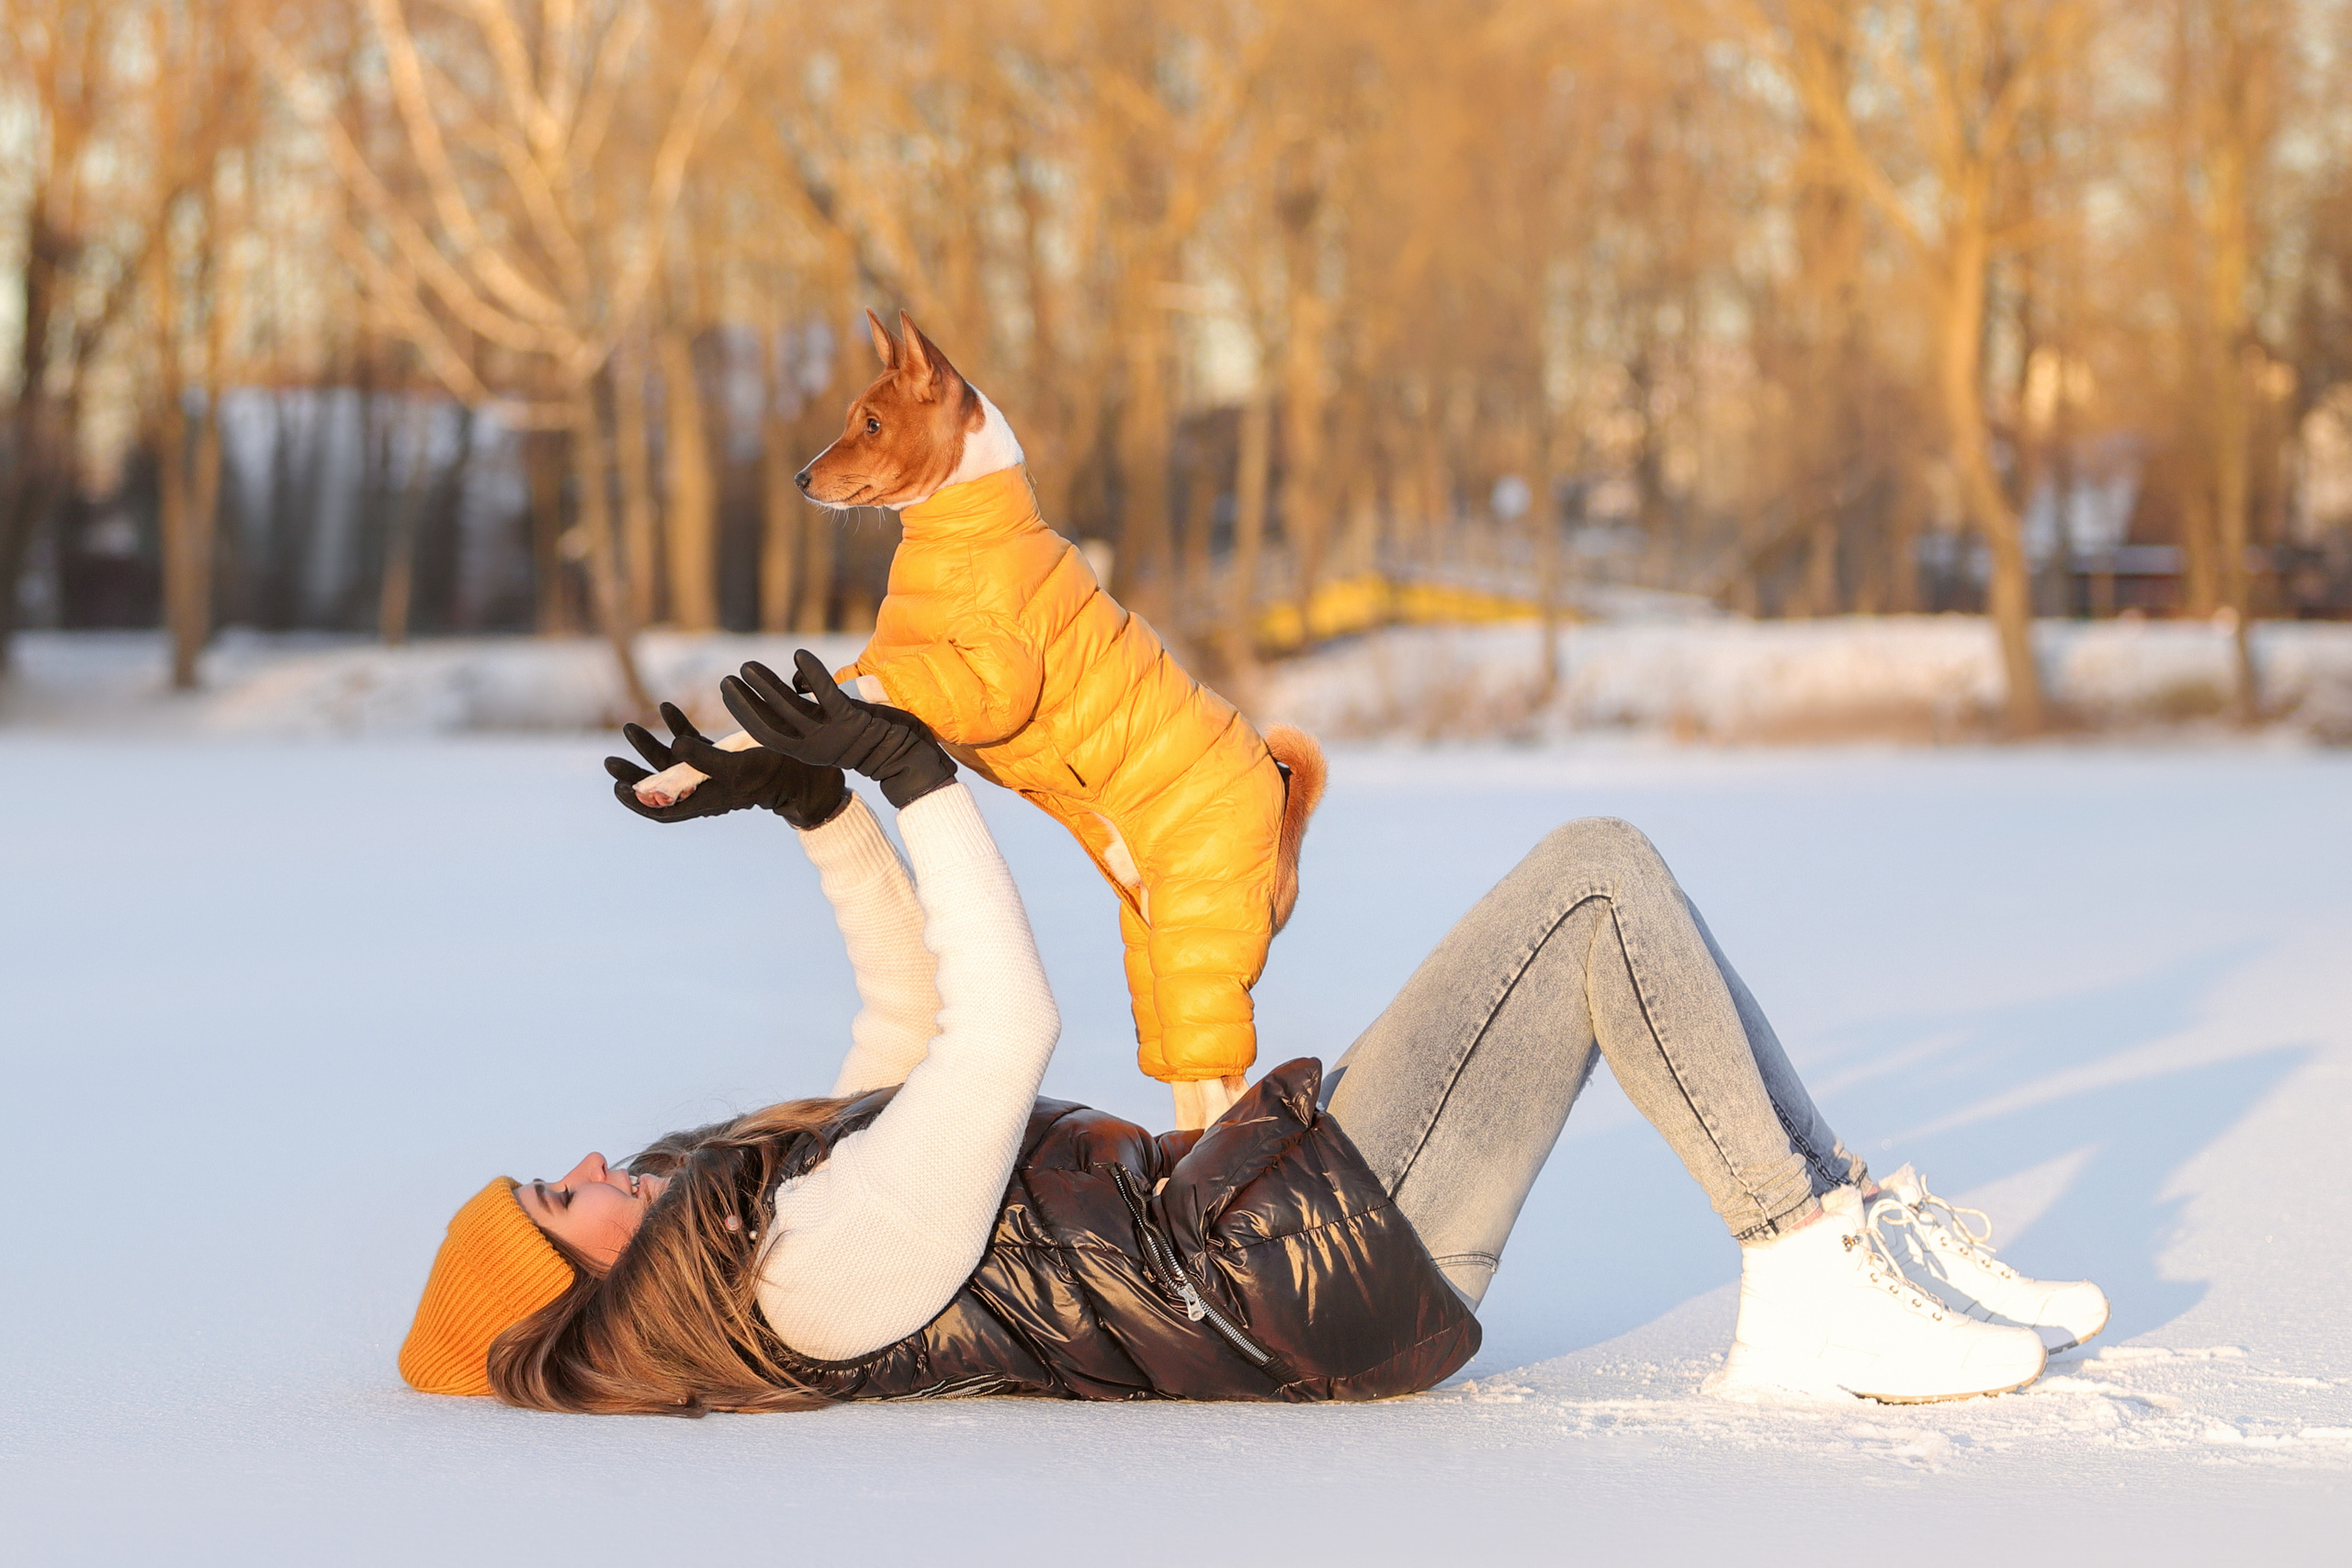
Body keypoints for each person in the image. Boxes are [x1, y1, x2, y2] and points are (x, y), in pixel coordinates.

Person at [398, 653, 2107, 1415]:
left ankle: (1841, 1228)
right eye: (559, 1209)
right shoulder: (804, 1282)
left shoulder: (780, 1224)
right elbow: (997, 1039)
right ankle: (1809, 1262)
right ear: (602, 1297)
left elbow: (903, 1039)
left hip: (1267, 1229)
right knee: (1591, 885)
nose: (578, 1168)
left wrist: (814, 809)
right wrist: (916, 772)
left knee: (1598, 900)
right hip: (1285, 1267)